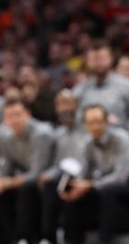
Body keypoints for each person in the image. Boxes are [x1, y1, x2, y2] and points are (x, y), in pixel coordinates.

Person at [60, 105, 129, 244]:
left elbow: (121, 177)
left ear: (106, 122)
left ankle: (104, 240)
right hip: (110, 186)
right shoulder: (88, 143)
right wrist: (74, 187)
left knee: (107, 192)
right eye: (91, 123)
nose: (95, 126)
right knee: (73, 198)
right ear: (85, 125)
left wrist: (90, 185)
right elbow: (83, 172)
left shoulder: (122, 139)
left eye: (98, 121)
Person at [0, 98, 54, 244]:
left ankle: (24, 238)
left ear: (28, 114)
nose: (14, 120)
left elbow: (37, 172)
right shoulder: (6, 136)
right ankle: (7, 239)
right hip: (26, 179)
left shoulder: (41, 133)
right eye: (9, 116)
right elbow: (6, 168)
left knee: (25, 189)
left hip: (48, 180)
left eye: (18, 114)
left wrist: (4, 183)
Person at [38, 90, 88, 244]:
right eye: (59, 104)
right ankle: (48, 238)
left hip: (86, 175)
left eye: (67, 103)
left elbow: (86, 162)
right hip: (65, 176)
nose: (63, 108)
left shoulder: (88, 128)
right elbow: (59, 164)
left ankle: (70, 239)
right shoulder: (59, 134)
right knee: (48, 184)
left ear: (76, 105)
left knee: (65, 186)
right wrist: (48, 174)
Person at [72, 40, 129, 125]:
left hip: (119, 134)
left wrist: (123, 126)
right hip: (86, 135)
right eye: (93, 59)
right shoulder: (80, 89)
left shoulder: (127, 85)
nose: (98, 63)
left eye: (101, 58)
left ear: (111, 59)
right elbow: (73, 115)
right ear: (87, 62)